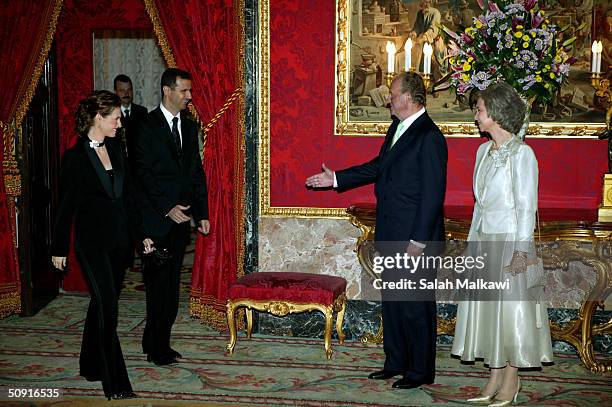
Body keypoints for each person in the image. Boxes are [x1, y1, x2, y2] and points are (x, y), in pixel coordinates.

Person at [306, 71, 447, 389]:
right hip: (392, 232)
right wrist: (337, 179)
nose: (389, 99)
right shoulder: (398, 127)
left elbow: (432, 196)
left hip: (414, 239)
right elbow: (378, 166)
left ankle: (421, 370)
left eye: (393, 94)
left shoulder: (429, 136)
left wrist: (418, 241)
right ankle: (396, 362)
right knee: (394, 302)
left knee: (415, 305)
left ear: (409, 99)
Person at [451, 82, 553, 406]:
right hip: (485, 242)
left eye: (479, 110)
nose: (476, 116)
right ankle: (494, 375)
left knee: (511, 314)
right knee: (489, 312)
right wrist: (472, 245)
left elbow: (527, 209)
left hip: (511, 244)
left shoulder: (523, 155)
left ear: (495, 113)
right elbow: (479, 205)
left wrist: (522, 254)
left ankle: (511, 377)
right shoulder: (483, 151)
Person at [50, 90, 154, 400]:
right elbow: (65, 206)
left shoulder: (118, 149)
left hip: (120, 244)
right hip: (91, 244)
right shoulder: (75, 158)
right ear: (99, 117)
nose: (120, 124)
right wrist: (58, 247)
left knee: (100, 302)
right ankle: (116, 382)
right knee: (109, 306)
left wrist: (142, 235)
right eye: (116, 118)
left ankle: (90, 364)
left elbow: (130, 198)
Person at [131, 68, 210, 366]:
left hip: (182, 219)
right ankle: (156, 347)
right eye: (184, 91)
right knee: (157, 287)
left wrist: (201, 213)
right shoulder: (145, 125)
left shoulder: (189, 128)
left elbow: (195, 173)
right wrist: (167, 207)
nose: (189, 97)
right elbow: (142, 174)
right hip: (154, 220)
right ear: (167, 90)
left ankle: (157, 341)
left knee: (172, 283)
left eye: (190, 91)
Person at [113, 74, 148, 157]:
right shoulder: (111, 113)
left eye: (129, 90)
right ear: (115, 92)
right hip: (118, 159)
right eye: (122, 90)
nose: (126, 93)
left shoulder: (142, 112)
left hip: (139, 160)